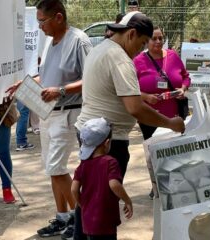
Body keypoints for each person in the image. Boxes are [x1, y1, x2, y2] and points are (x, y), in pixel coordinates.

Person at [72, 11, 184, 240]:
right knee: (103, 208)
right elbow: (134, 108)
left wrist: (141, 96)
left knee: (90, 199)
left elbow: (117, 93)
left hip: (91, 134)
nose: (142, 49)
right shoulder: (120, 58)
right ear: (131, 34)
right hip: (107, 143)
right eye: (142, 43)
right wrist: (170, 123)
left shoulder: (102, 49)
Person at [7, 0, 92, 237]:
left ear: (58, 17)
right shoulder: (48, 42)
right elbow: (45, 76)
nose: (40, 26)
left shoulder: (78, 40)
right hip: (47, 113)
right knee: (51, 168)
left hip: (69, 112)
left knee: (56, 167)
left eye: (42, 21)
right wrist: (25, 83)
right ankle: (63, 217)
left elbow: (91, 78)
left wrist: (62, 91)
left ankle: (82, 218)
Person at [133, 26, 190, 199]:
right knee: (153, 151)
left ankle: (175, 184)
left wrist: (183, 88)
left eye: (161, 38)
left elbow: (186, 76)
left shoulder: (172, 56)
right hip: (149, 114)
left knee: (173, 151)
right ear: (146, 41)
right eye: (154, 38)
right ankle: (156, 184)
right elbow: (130, 89)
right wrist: (146, 97)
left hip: (173, 114)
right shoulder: (137, 61)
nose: (158, 42)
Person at [71, 118, 133, 240]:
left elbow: (74, 189)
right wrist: (127, 200)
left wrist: (82, 203)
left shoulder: (83, 165)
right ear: (107, 143)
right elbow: (114, 185)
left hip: (88, 220)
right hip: (106, 219)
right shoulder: (110, 162)